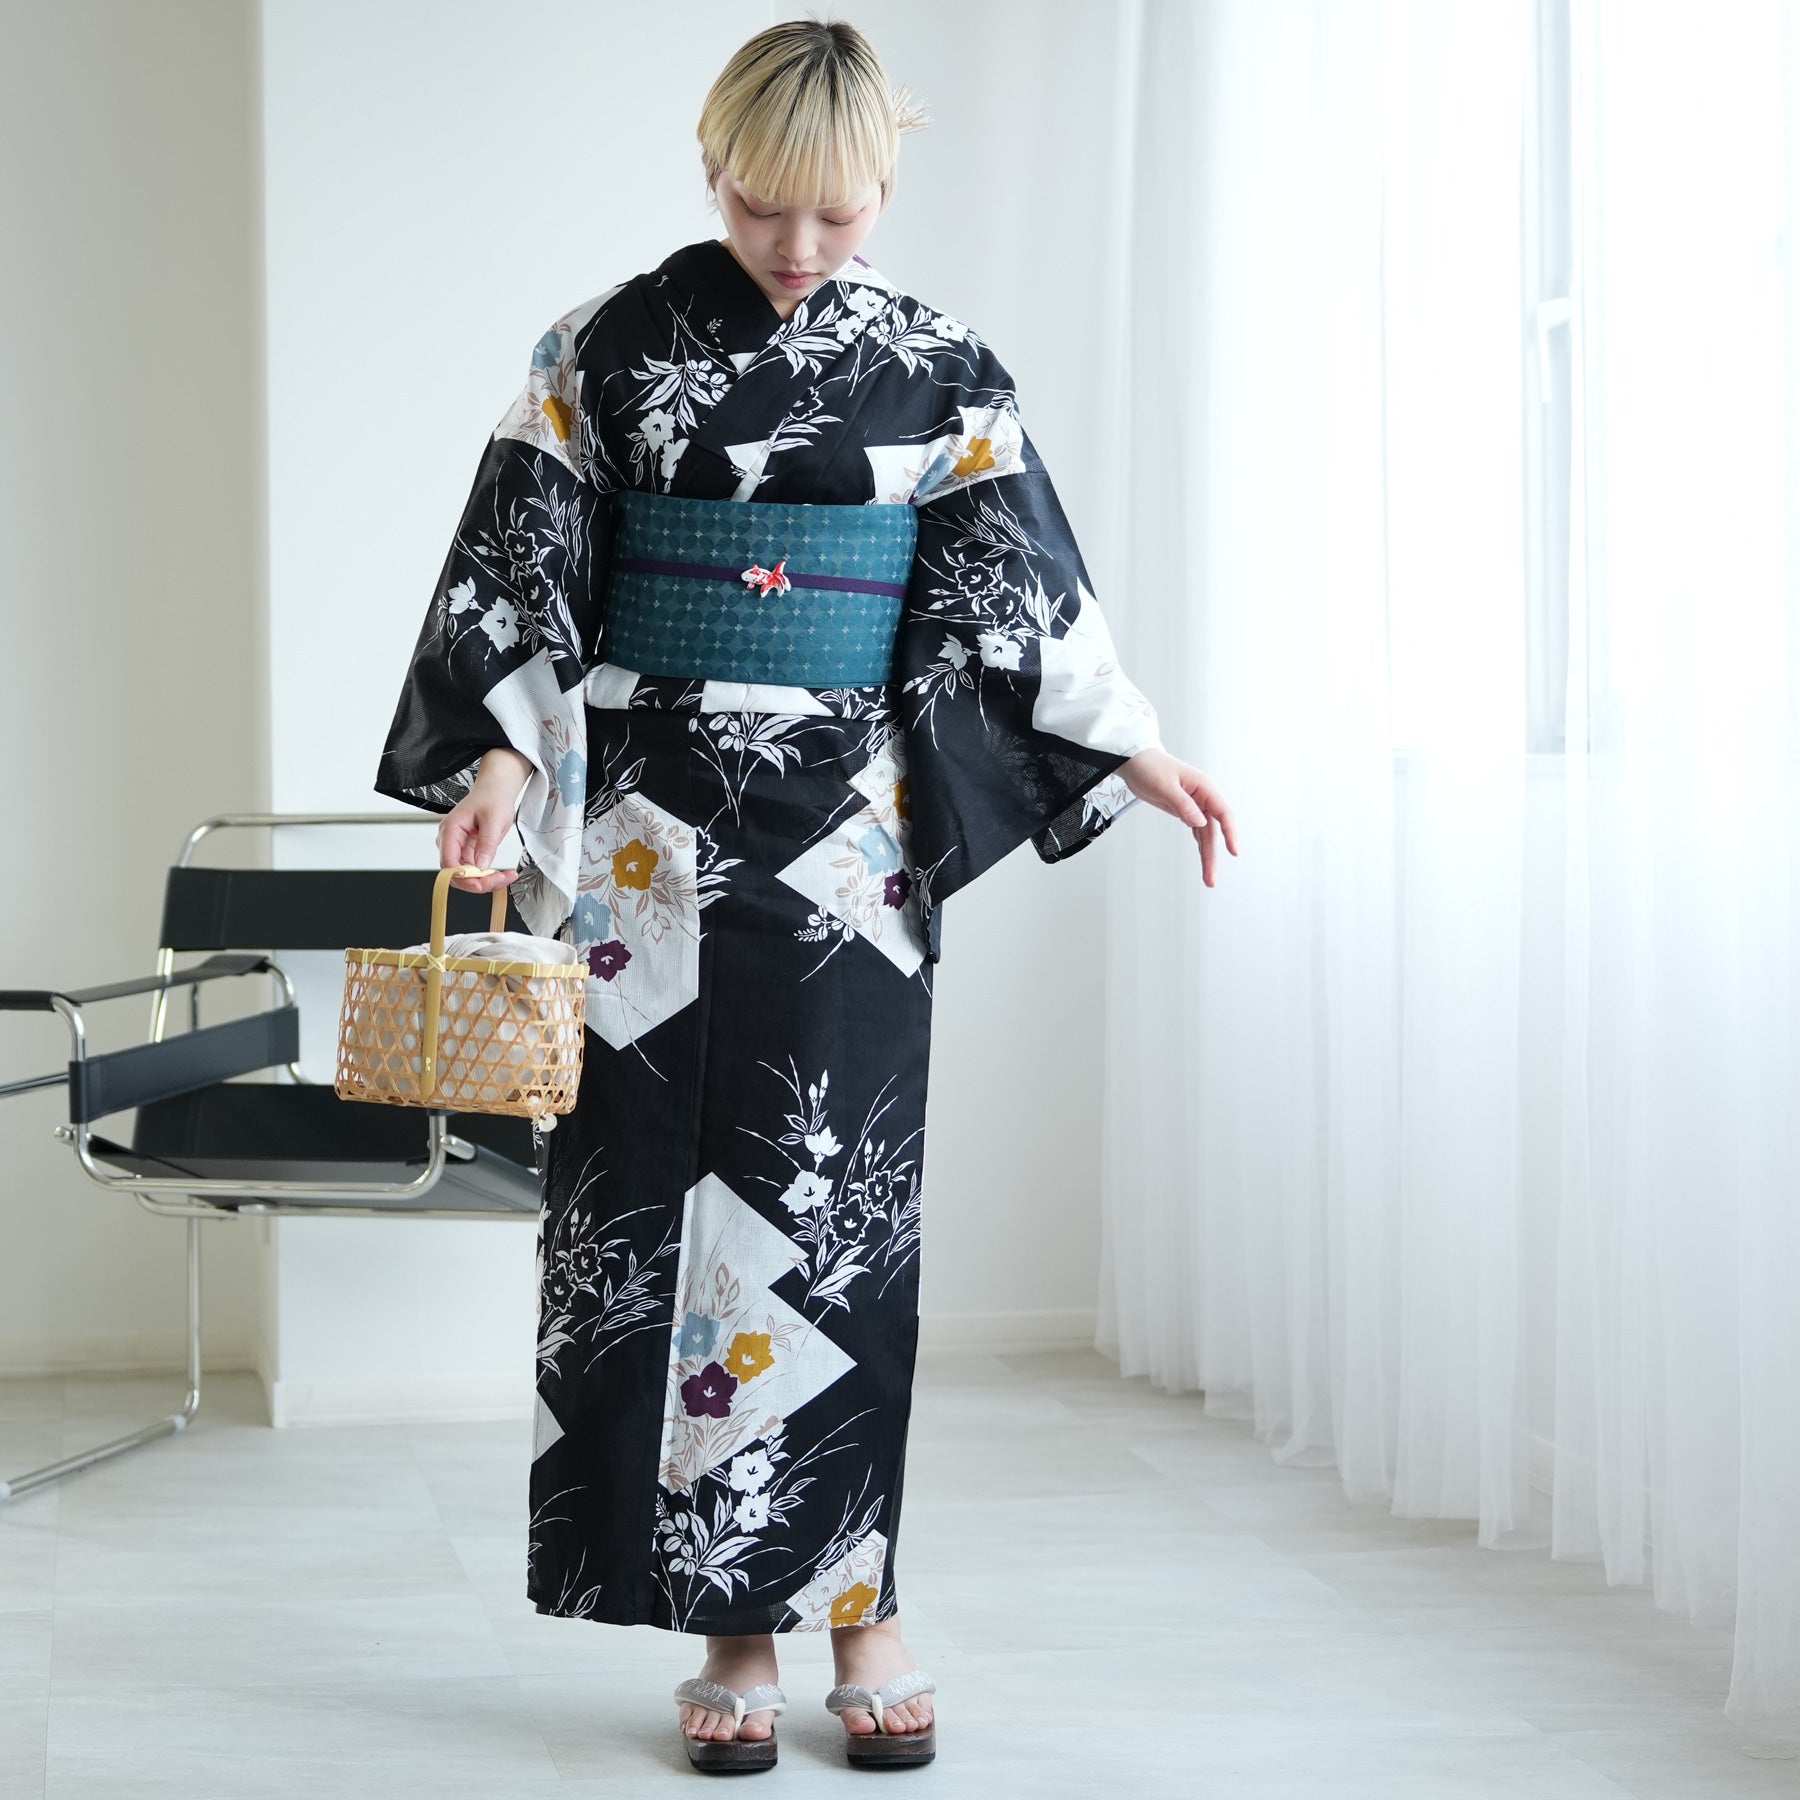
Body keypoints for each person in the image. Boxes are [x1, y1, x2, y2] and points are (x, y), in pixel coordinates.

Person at [373, 14, 1236, 1774]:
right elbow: (527, 567)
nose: (798, 246)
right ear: (714, 167)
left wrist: (1132, 745)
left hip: (848, 844)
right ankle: (734, 1629)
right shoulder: (605, 346)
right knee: (648, 1214)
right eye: (765, 206)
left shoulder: (940, 367)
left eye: (840, 214)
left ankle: (866, 1604)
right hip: (641, 840)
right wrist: (502, 764)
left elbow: (1018, 588)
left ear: (886, 185)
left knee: (836, 1216)